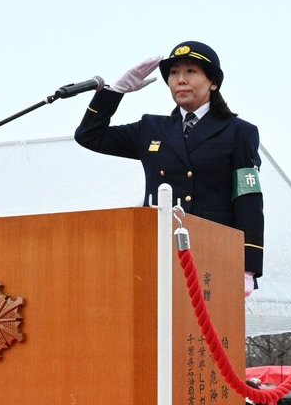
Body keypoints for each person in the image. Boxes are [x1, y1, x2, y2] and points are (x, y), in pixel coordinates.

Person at [74, 40, 264, 295]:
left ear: (213, 82)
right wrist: (114, 92)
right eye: (173, 73)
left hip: (214, 253)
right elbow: (89, 136)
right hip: (157, 251)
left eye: (191, 71)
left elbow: (248, 199)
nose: (180, 80)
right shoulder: (151, 128)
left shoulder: (239, 132)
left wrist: (248, 266)